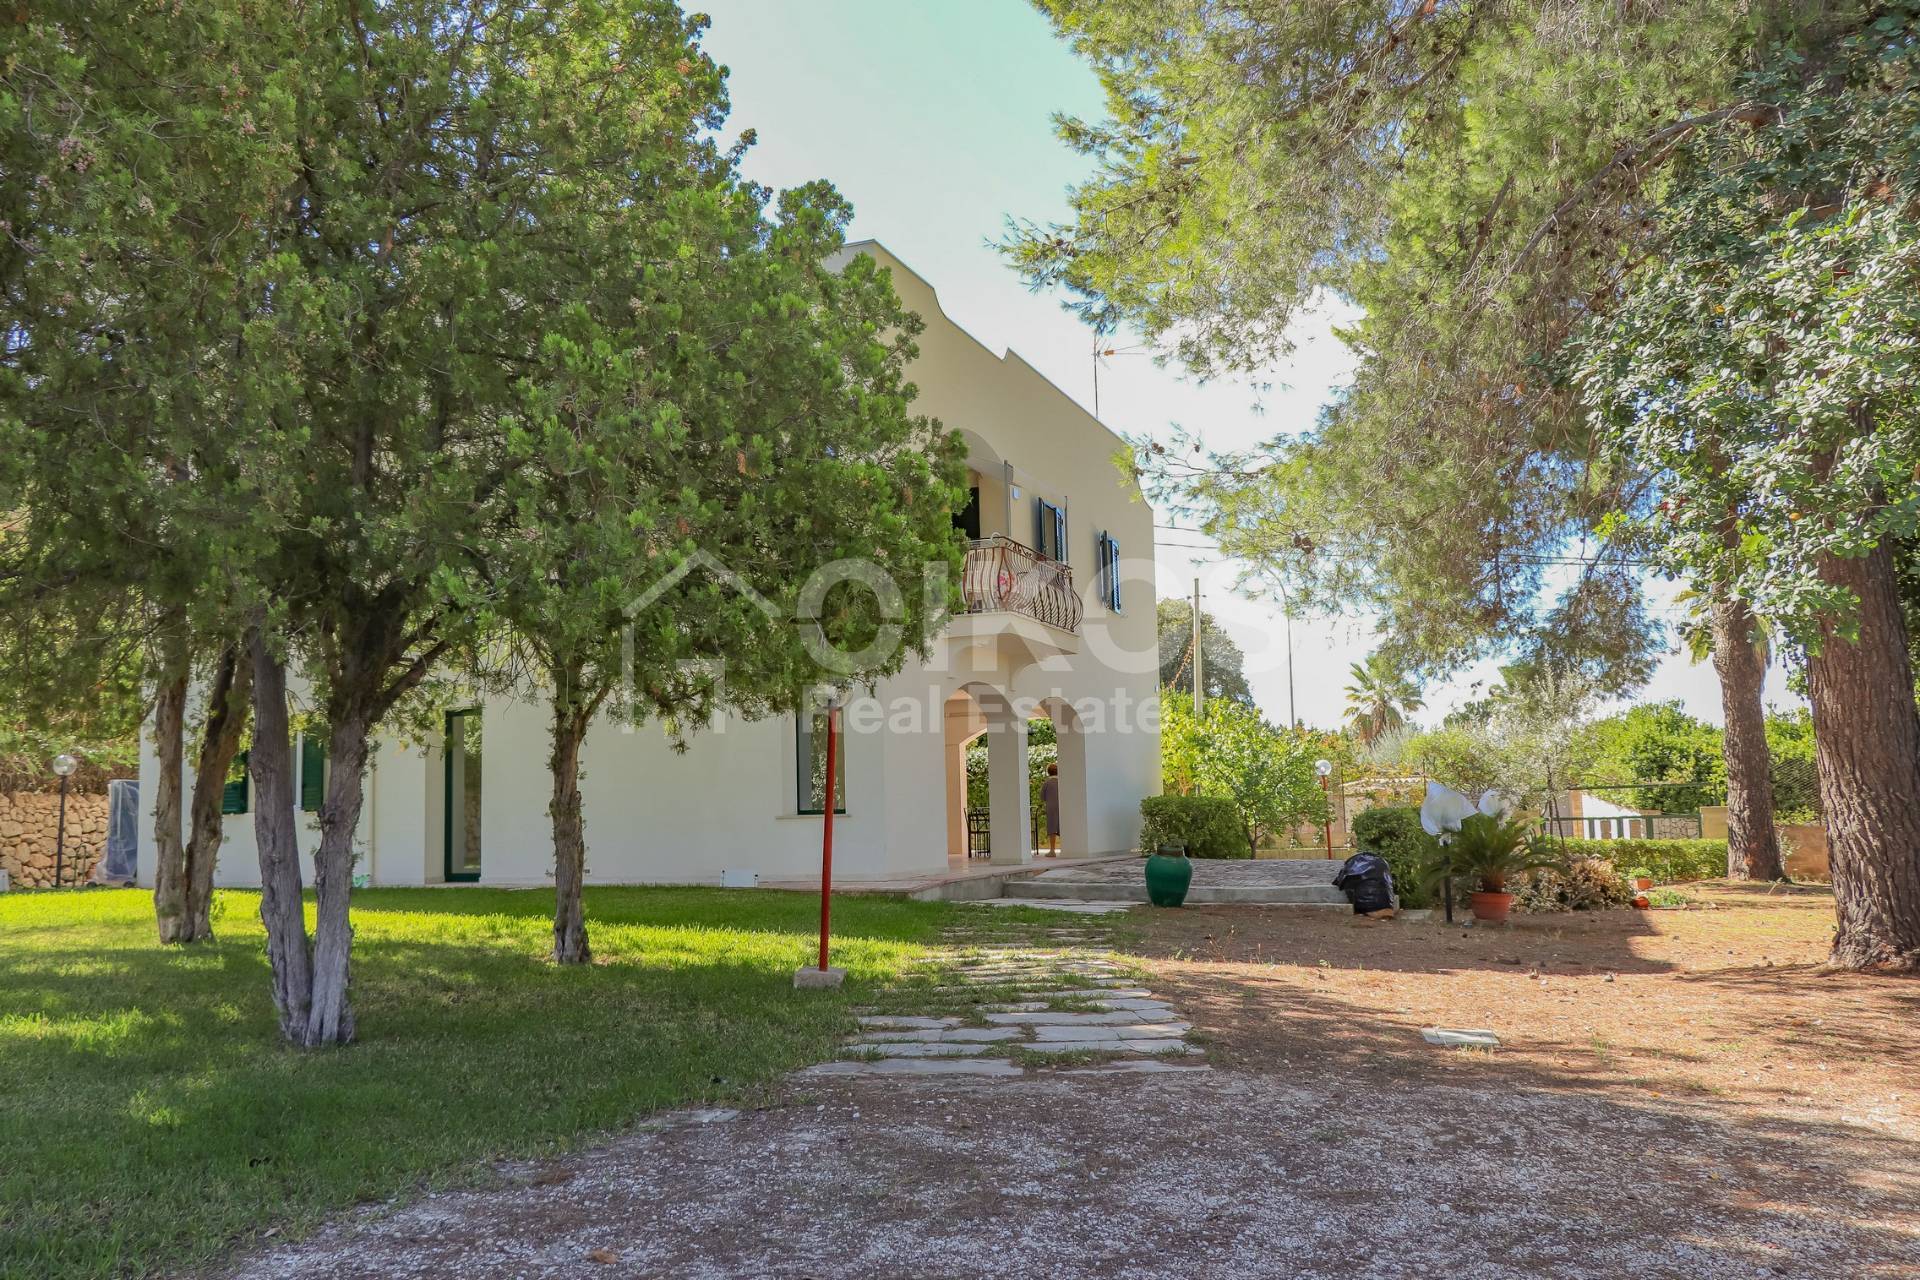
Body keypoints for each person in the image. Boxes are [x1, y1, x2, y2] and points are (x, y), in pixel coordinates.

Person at [1040, 762, 1061, 856]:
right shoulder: (1062, 782)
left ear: (1048, 772)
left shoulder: (1047, 783)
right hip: (1062, 806)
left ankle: (1052, 850)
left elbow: (1042, 797)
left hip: (1051, 807)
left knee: (1052, 828)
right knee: (1062, 826)